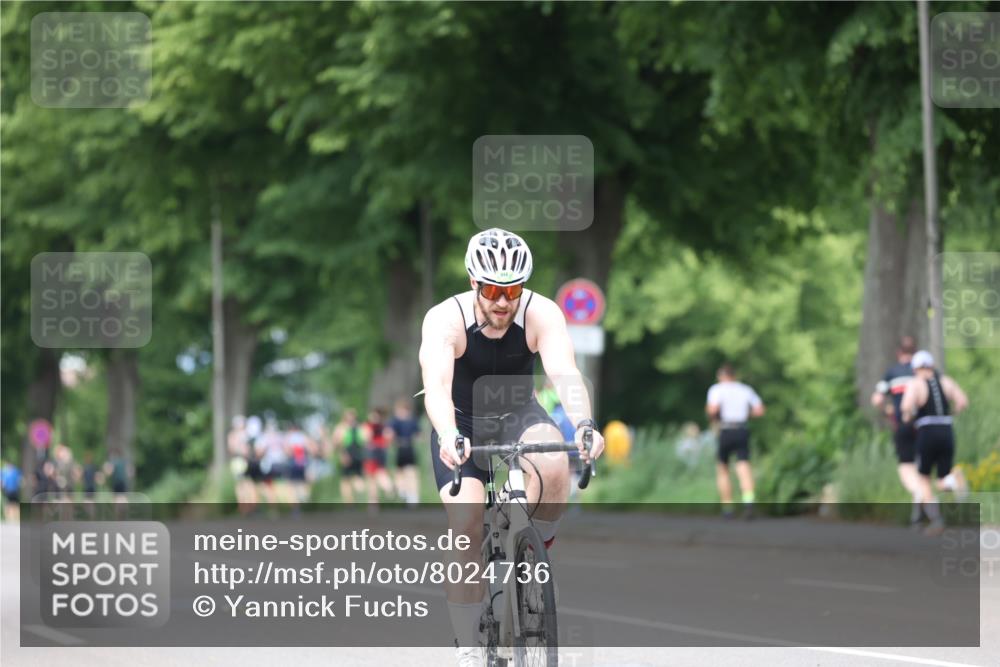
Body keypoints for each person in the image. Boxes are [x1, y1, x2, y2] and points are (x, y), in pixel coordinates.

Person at [418, 227, 604, 665]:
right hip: (461, 422)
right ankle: (468, 645)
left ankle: (533, 553)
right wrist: (448, 434)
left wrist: (584, 423)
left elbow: (565, 373)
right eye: (492, 290)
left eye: (513, 290)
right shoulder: (445, 319)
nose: (503, 301)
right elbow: (437, 387)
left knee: (554, 462)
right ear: (473, 282)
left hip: (519, 415)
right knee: (466, 522)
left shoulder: (542, 313)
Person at [900, 351, 969, 536]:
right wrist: (951, 414)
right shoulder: (947, 382)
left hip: (927, 431)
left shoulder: (915, 383)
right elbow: (963, 402)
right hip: (947, 429)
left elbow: (906, 407)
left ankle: (936, 520)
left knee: (924, 479)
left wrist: (909, 416)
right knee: (942, 480)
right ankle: (954, 480)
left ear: (915, 368)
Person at [706, 363, 765, 519]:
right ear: (734, 375)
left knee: (723, 469)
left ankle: (727, 508)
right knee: (743, 466)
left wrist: (713, 419)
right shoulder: (745, 389)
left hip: (725, 429)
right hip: (742, 429)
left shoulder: (716, 389)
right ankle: (748, 502)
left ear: (721, 376)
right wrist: (745, 414)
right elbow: (759, 410)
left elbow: (712, 409)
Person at [871, 336, 921, 512]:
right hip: (923, 426)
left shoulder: (892, 373)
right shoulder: (919, 373)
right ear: (915, 352)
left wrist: (888, 411)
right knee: (922, 467)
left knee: (906, 467)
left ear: (898, 352)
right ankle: (920, 509)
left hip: (903, 425)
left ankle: (918, 494)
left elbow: (877, 399)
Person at [387, 399, 422, 506]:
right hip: (408, 447)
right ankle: (410, 495)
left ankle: (407, 493)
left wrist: (392, 440)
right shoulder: (412, 420)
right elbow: (419, 435)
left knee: (405, 472)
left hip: (402, 447)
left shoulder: (395, 421)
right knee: (406, 472)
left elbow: (389, 434)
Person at [362, 408, 396, 509]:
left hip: (372, 452)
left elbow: (366, 438)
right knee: (379, 475)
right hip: (381, 451)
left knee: (372, 479)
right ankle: (388, 488)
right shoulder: (384, 426)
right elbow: (389, 438)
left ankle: (375, 502)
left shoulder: (368, 426)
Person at [332, 409, 366, 503]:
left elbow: (336, 442)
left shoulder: (341, 428)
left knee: (347, 480)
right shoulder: (359, 427)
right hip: (355, 455)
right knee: (353, 479)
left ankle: (350, 503)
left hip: (349, 455)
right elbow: (364, 441)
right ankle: (353, 501)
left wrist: (340, 453)